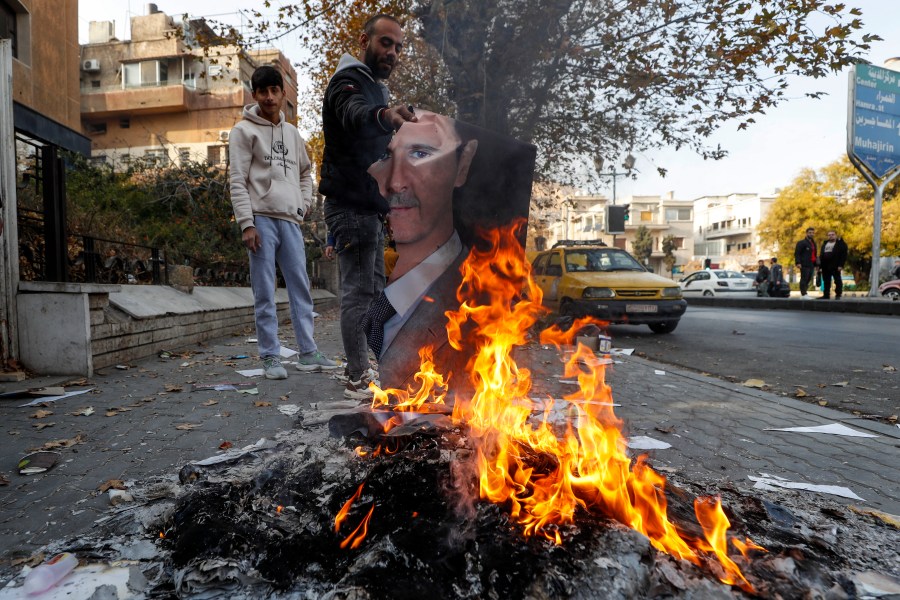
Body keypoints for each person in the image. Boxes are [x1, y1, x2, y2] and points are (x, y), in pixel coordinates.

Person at [320, 14, 417, 398]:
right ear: (365, 40)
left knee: (373, 293)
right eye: (385, 43)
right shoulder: (349, 82)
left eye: (397, 47)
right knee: (359, 294)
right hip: (351, 209)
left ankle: (363, 368)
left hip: (368, 211)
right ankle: (357, 377)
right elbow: (353, 112)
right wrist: (386, 116)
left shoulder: (373, 87)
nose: (391, 52)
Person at [229, 65, 339, 379]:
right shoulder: (243, 131)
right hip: (261, 220)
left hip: (290, 221)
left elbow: (306, 172)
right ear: (255, 95)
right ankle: (270, 357)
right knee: (264, 290)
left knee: (301, 288)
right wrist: (246, 223)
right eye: (262, 91)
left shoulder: (292, 134)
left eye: (274, 90)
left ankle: (307, 352)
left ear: (282, 93)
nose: (268, 97)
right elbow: (237, 179)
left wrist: (304, 203)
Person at [364, 110, 479, 398]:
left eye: (419, 153)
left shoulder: (480, 303)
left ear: (462, 165)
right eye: (390, 157)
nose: (394, 183)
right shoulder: (381, 289)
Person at [818, 230, 848, 300]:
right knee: (826, 281)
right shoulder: (825, 244)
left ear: (836, 235)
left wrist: (841, 265)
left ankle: (838, 294)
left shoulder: (840, 244)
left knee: (837, 280)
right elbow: (821, 255)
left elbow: (843, 256)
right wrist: (819, 266)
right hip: (825, 266)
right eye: (829, 235)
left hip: (835, 265)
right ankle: (826, 295)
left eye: (832, 234)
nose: (831, 236)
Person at [794, 227, 817, 296]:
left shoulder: (813, 243)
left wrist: (817, 265)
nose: (811, 234)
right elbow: (797, 253)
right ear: (806, 233)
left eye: (812, 233)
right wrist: (798, 262)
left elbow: (815, 254)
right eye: (810, 233)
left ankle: (805, 291)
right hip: (804, 264)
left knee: (809, 278)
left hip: (811, 264)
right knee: (804, 278)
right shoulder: (801, 243)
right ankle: (803, 293)